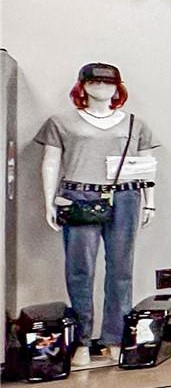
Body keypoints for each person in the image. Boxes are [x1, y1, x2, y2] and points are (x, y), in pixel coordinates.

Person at [36, 63, 160, 369]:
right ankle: (81, 340)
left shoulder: (135, 124)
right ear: (83, 85)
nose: (101, 87)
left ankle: (114, 338)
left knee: (121, 269)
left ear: (118, 87)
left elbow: (147, 166)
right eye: (94, 82)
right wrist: (48, 202)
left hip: (125, 196)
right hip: (79, 196)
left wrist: (150, 202)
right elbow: (51, 162)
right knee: (80, 269)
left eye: (108, 82)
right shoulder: (61, 122)